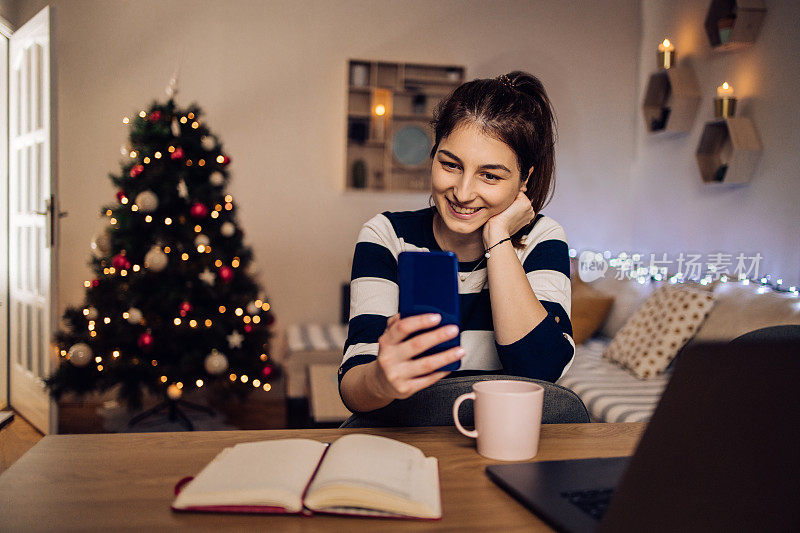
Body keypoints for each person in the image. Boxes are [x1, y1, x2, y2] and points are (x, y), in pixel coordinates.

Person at [339, 71, 574, 413]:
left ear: (525, 179)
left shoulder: (542, 238)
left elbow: (542, 371)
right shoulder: (386, 235)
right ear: (433, 156)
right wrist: (380, 380)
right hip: (408, 444)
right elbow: (353, 386)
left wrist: (498, 239)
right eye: (450, 165)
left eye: (490, 175)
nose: (463, 193)